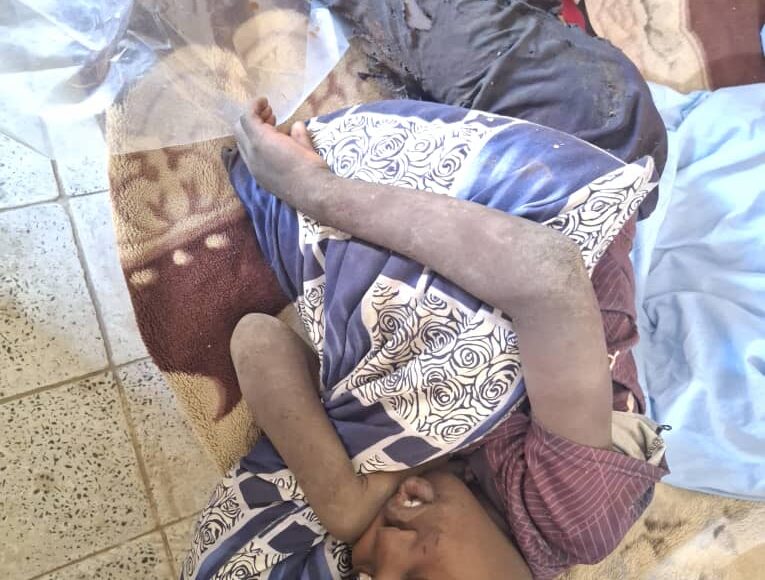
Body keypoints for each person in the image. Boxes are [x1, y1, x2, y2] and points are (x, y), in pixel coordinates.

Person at [185, 2, 670, 579]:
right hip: (565, 146)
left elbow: (256, 341)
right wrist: (312, 189)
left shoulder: (385, 483)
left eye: (359, 571)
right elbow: (547, 276)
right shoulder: (568, 521)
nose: (380, 556)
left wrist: (341, 503)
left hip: (433, 178)